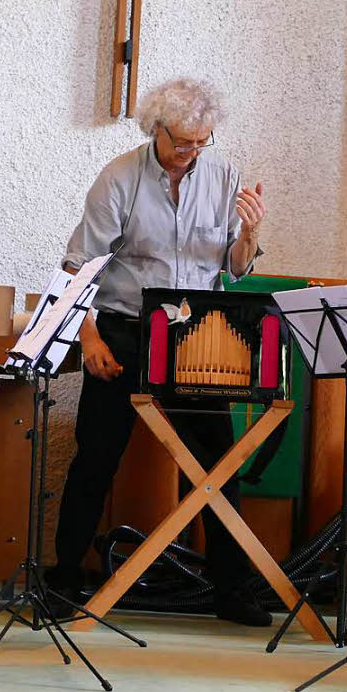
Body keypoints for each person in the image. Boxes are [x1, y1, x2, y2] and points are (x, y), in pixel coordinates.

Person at [44, 77, 271, 626]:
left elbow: (234, 269)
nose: (193, 153)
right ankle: (64, 576)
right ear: (156, 131)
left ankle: (231, 588)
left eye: (203, 141)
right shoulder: (119, 177)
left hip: (197, 330)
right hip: (123, 327)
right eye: (184, 142)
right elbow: (79, 266)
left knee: (218, 463)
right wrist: (89, 337)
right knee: (96, 457)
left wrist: (248, 234)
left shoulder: (224, 177)